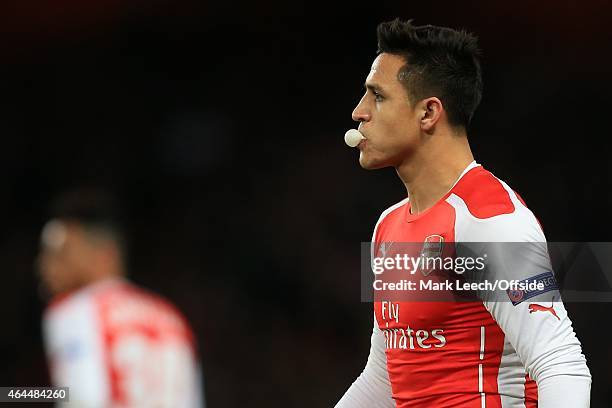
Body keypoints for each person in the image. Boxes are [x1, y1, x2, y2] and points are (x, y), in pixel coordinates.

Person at [336, 19, 591, 407]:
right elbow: (384, 379)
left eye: (378, 96)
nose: (359, 112)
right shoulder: (388, 227)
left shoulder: (490, 221)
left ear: (428, 113)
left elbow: (561, 364)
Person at [37, 190, 204, 407]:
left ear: (102, 253)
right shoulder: (170, 318)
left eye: (62, 253)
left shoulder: (75, 311)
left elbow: (82, 398)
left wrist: (13, 395)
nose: (45, 266)